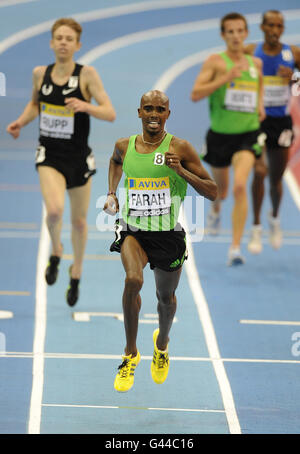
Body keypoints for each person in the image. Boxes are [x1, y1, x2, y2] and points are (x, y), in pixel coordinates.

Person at [103, 90, 217, 392]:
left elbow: (212, 191)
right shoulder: (124, 146)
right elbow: (115, 162)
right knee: (132, 280)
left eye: (160, 109)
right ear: (139, 112)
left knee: (165, 300)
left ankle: (162, 345)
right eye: (148, 109)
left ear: (168, 114)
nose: (154, 114)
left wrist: (180, 170)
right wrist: (112, 192)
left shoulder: (180, 148)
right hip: (133, 231)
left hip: (168, 235)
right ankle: (130, 354)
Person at [7, 18, 116, 306]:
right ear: (52, 42)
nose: (64, 42)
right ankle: (56, 250)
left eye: (69, 38)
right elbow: (35, 104)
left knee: (79, 221)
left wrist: (85, 106)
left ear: (78, 45)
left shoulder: (87, 75)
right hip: (50, 155)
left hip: (78, 156)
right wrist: (20, 121)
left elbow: (110, 112)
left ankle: (76, 270)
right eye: (59, 38)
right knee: (54, 211)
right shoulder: (39, 73)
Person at [190, 12, 265, 266]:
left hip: (248, 134)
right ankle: (217, 208)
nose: (235, 36)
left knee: (240, 186)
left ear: (246, 33)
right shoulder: (215, 62)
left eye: (239, 31)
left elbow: (259, 89)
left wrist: (260, 106)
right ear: (223, 35)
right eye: (230, 31)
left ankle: (235, 247)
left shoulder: (256, 64)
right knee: (220, 192)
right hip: (220, 136)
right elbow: (195, 94)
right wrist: (226, 78)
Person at [245, 10, 300, 254]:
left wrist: (295, 77)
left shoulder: (293, 54)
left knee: (276, 179)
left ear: (282, 28)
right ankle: (256, 227)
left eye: (279, 26)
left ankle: (274, 219)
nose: (275, 30)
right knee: (259, 172)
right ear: (263, 27)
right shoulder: (250, 52)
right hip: (257, 122)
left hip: (282, 123)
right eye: (271, 25)